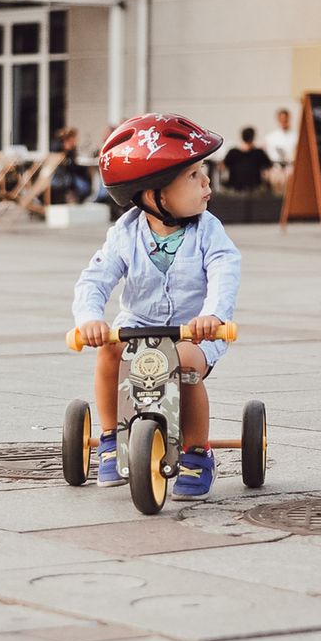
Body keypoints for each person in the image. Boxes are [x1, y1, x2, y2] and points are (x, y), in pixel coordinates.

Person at [73, 113, 241, 500]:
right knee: (108, 351)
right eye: (194, 176)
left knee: (184, 364)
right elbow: (95, 278)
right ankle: (112, 435)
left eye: (204, 172)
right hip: (138, 326)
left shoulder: (208, 230)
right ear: (155, 194)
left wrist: (213, 315)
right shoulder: (126, 232)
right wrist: (90, 319)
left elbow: (224, 269)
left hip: (193, 330)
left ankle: (198, 452)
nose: (206, 182)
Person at [222, 127, 272, 192]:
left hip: (235, 187)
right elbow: (269, 165)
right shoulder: (258, 153)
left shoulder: (233, 152)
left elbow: (222, 167)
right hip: (254, 187)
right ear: (253, 137)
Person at [51, 128, 92, 203]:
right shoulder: (60, 150)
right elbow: (72, 167)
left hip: (70, 176)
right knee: (85, 187)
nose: (75, 141)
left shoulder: (71, 150)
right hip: (65, 178)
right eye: (74, 138)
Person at [263, 108, 297, 194]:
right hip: (276, 168)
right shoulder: (271, 137)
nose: (283, 121)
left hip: (290, 168)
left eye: (285, 119)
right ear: (278, 119)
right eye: (281, 119)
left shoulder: (296, 136)